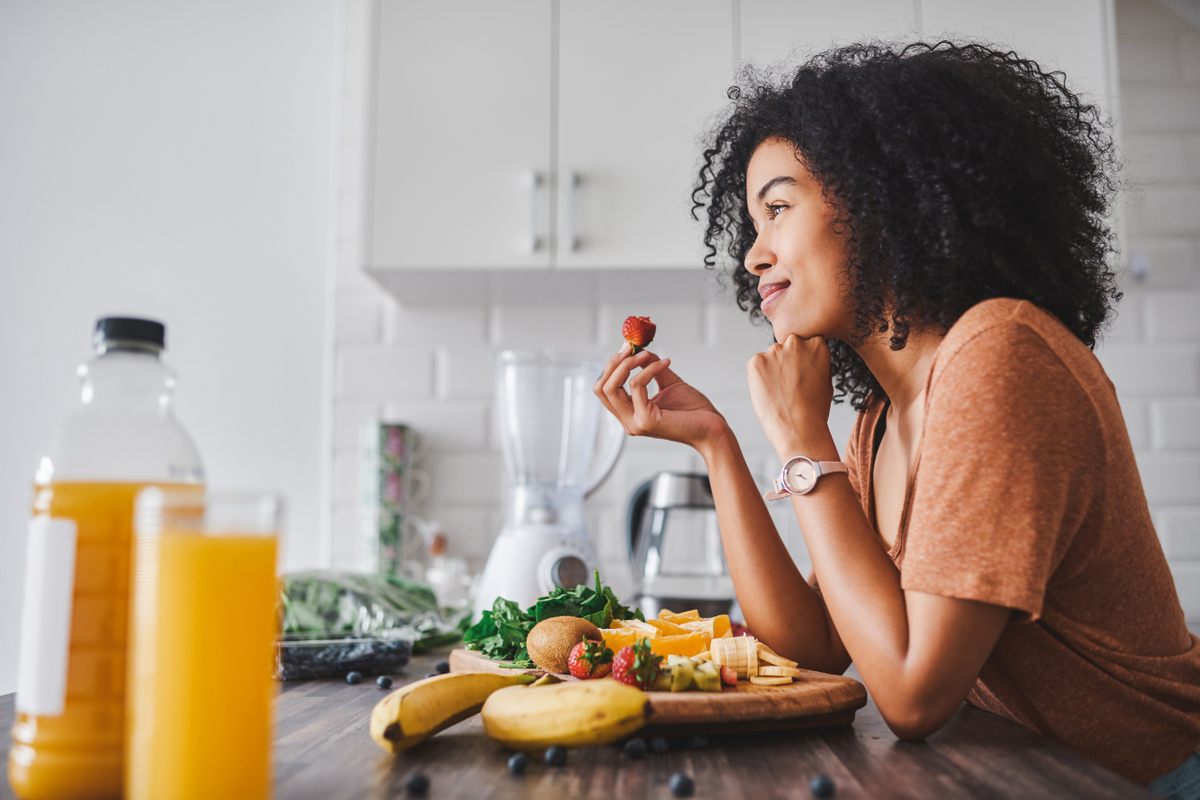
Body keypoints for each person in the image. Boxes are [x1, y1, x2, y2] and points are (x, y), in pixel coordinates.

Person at [594, 42, 1200, 796]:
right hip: (1021, 771)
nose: (754, 254)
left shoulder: (999, 356)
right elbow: (814, 648)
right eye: (753, 222)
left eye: (778, 208)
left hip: (1146, 780)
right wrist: (717, 445)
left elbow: (912, 695)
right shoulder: (880, 419)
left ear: (882, 201)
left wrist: (803, 441)